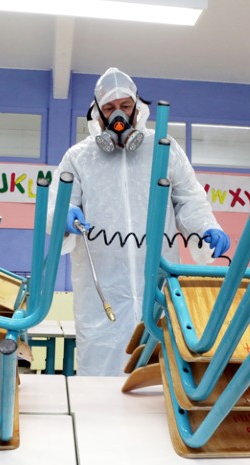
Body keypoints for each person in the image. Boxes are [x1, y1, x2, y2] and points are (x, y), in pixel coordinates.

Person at [48, 67, 230, 376]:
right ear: (97, 113)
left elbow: (189, 199)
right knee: (100, 373)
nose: (118, 114)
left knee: (159, 375)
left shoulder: (164, 148)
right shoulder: (78, 157)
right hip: (101, 294)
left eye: (125, 106)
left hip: (158, 283)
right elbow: (56, 204)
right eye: (109, 108)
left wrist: (206, 227)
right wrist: (63, 216)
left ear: (137, 106)